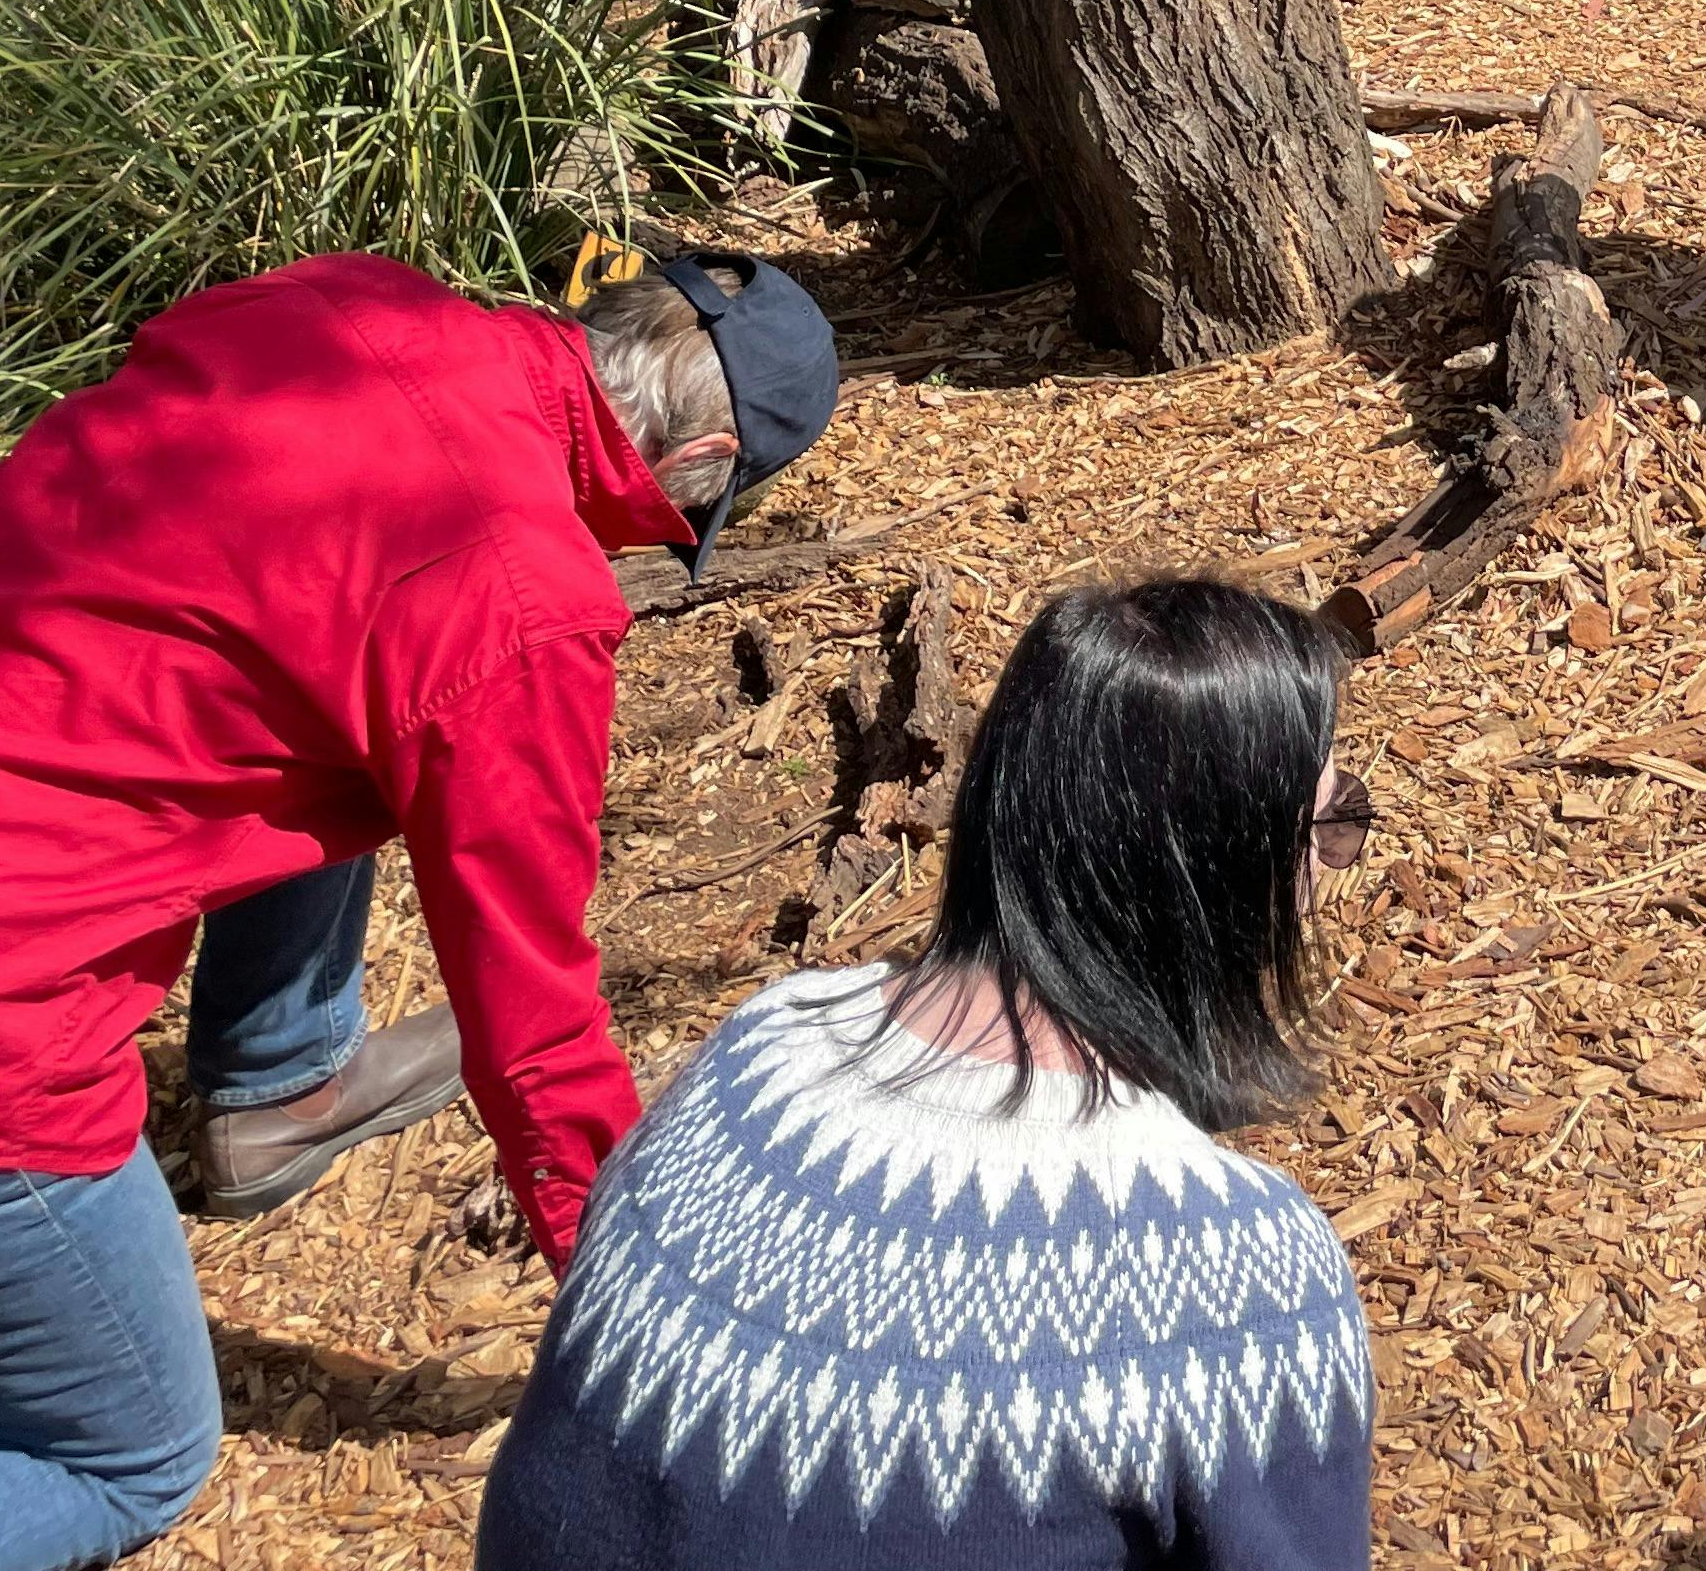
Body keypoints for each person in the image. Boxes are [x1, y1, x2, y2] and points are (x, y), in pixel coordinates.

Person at [0, 246, 841, 1569]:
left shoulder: (350, 305)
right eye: (684, 521)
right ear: (698, 456)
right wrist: (645, 1338)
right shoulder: (522, 604)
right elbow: (536, 1034)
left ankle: (277, 1085)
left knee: (335, 644)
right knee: (124, 1453)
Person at [475, 576, 1379, 1571]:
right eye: (1330, 828)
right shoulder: (1231, 1286)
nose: (1324, 871)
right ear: (1214, 866)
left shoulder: (752, 1056)